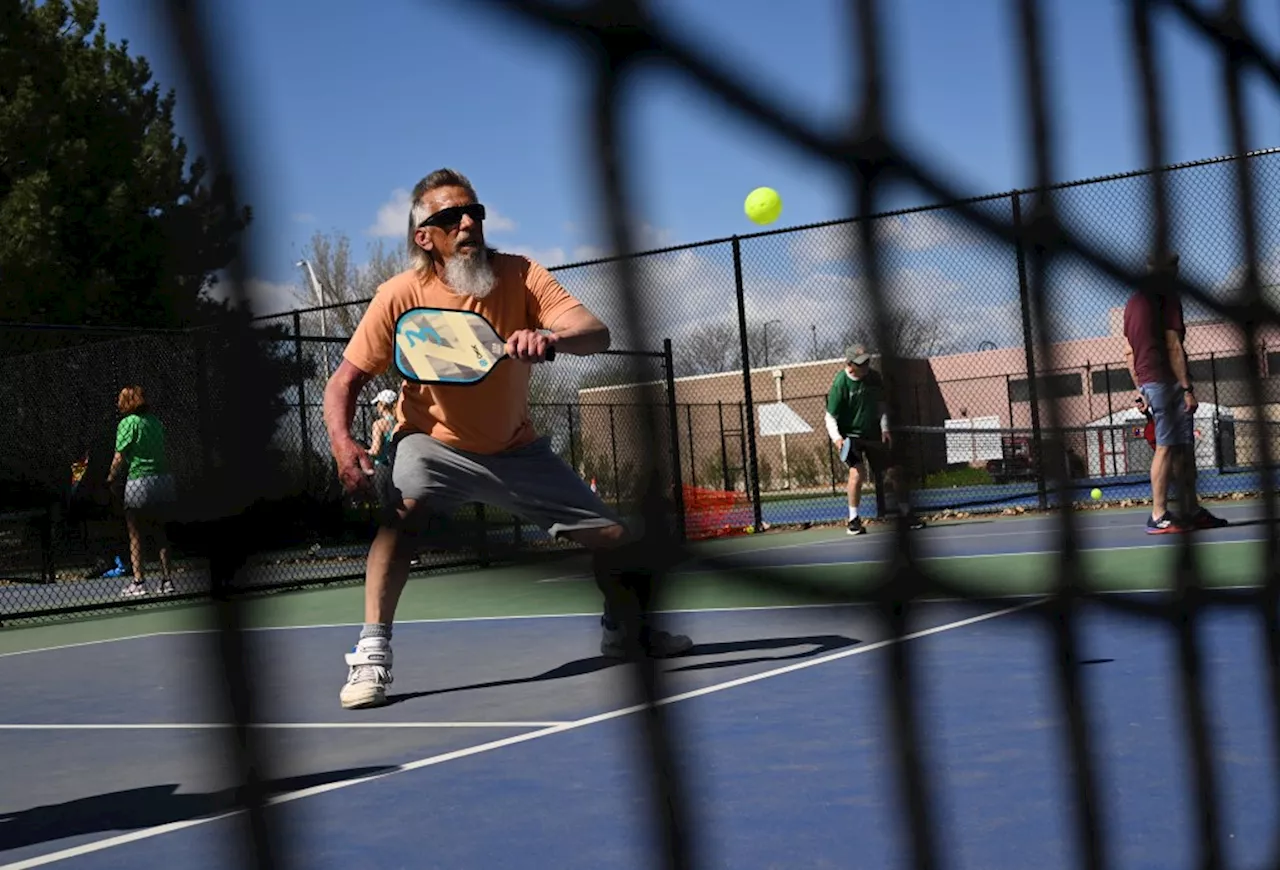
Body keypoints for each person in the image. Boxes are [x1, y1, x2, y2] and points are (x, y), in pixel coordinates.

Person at [323, 168, 692, 710]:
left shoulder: (520, 275)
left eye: (475, 212)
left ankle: (624, 630)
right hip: (431, 441)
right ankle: (372, 652)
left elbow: (597, 331)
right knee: (403, 514)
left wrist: (550, 336)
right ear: (425, 236)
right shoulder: (400, 296)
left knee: (615, 539)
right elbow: (344, 380)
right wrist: (341, 440)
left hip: (516, 449)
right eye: (451, 216)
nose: (468, 222)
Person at [1121, 250, 1227, 534]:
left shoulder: (1132, 304)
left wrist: (1140, 391)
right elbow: (1173, 346)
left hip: (1150, 383)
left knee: (1182, 451)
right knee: (1168, 449)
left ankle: (1191, 510)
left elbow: (1129, 354)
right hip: (1168, 384)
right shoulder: (1166, 298)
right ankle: (1158, 515)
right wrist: (1187, 388)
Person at [824, 344, 926, 536]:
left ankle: (906, 514)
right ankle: (853, 520)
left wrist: (884, 428)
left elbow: (881, 406)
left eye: (867, 362)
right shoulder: (840, 384)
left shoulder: (874, 378)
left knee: (894, 472)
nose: (866, 366)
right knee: (857, 473)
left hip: (872, 434)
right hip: (850, 436)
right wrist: (838, 440)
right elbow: (830, 417)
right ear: (849, 364)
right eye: (861, 364)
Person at [105, 386, 176, 597]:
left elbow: (119, 456)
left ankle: (139, 582)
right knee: (160, 532)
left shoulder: (127, 423)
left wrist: (109, 478)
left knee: (135, 533)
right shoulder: (155, 422)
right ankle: (167, 581)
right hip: (163, 481)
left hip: (140, 482)